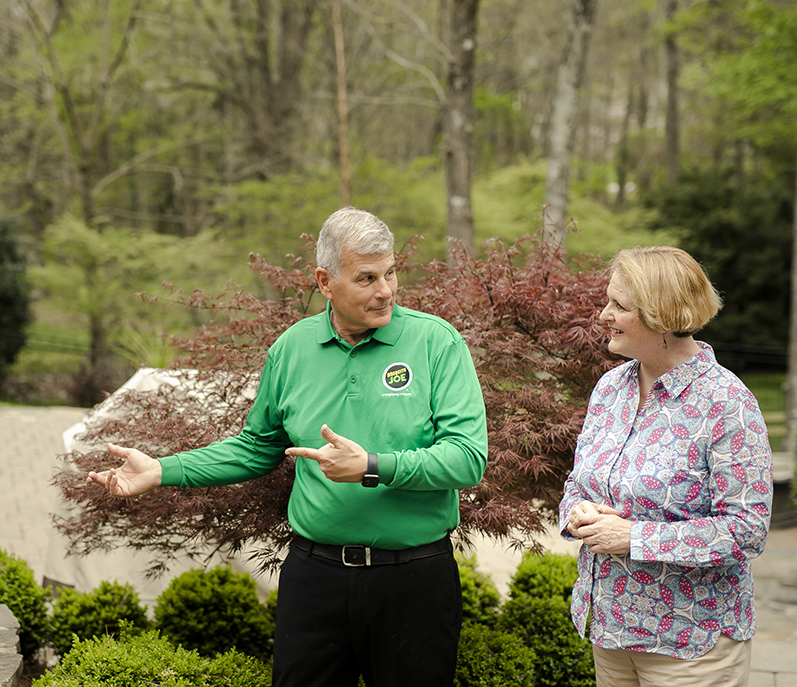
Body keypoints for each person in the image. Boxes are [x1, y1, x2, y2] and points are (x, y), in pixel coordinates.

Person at [87, 206, 488, 687]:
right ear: (324, 281)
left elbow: (467, 458)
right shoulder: (291, 350)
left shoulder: (436, 343)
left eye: (391, 273)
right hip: (314, 577)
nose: (386, 291)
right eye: (366, 278)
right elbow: (256, 447)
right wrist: (163, 469)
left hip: (413, 579)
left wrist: (372, 466)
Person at [560, 245, 773, 687]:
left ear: (662, 316)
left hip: (689, 643)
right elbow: (577, 483)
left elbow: (747, 529)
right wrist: (578, 512)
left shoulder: (727, 403)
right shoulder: (610, 388)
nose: (603, 314)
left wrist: (634, 537)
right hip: (610, 629)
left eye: (619, 305)